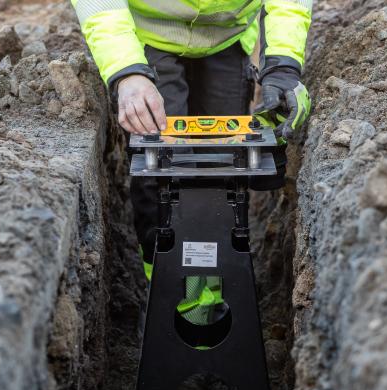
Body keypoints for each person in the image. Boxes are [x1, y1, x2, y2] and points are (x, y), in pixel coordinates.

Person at [72, 0, 313, 329]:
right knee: (160, 173)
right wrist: (127, 70)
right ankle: (167, 300)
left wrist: (283, 65)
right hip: (148, 33)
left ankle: (210, 302)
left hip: (226, 34)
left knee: (224, 174)